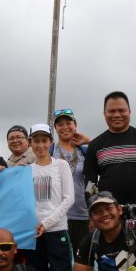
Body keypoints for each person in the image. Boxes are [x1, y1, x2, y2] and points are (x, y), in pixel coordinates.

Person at [25, 123, 74, 271]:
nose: (41, 144)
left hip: (57, 229)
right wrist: (37, 225)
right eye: (36, 140)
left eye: (45, 140)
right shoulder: (26, 171)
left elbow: (68, 198)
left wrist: (48, 222)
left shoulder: (61, 165)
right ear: (30, 144)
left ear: (50, 143)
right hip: (34, 233)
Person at [84, 91, 136, 223]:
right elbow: (90, 182)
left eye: (121, 110)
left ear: (129, 112)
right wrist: (93, 211)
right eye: (111, 111)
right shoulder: (95, 145)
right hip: (108, 215)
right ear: (104, 114)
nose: (117, 115)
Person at [52, 108, 90, 255]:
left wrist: (88, 141)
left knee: (83, 259)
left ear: (75, 125)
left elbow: (106, 151)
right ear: (55, 128)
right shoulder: (49, 151)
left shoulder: (85, 151)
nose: (65, 127)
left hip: (82, 214)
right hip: (57, 216)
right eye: (60, 124)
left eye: (68, 123)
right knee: (60, 261)